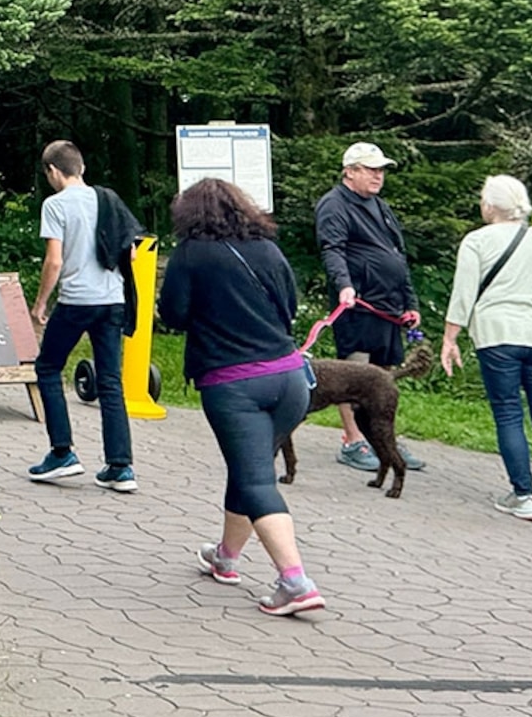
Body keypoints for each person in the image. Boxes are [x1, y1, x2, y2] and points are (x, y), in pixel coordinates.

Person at [156, 177, 325, 616]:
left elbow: (172, 315)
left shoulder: (191, 254)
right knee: (249, 468)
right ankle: (226, 556)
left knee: (255, 480)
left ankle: (295, 582)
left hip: (234, 384)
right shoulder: (268, 248)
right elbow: (289, 308)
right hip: (290, 381)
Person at [440, 173, 532, 525]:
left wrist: (450, 338)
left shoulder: (477, 241)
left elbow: (464, 293)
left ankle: (524, 495)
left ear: (489, 205)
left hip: (498, 334)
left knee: (509, 413)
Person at [25, 140, 135, 492]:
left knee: (47, 368)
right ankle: (120, 467)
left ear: (52, 172)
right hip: (112, 300)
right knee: (110, 381)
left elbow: (54, 261)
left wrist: (40, 303)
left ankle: (62, 452)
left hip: (76, 301)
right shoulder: (109, 199)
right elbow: (130, 252)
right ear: (82, 167)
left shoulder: (55, 205)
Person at [314, 143, 424, 475]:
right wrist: (344, 285)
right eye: (371, 169)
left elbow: (397, 257)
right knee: (353, 375)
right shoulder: (334, 205)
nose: (379, 175)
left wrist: (411, 303)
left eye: (381, 170)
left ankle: (383, 439)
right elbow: (332, 248)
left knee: (382, 378)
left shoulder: (381, 207)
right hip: (358, 305)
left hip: (389, 307)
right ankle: (353, 439)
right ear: (349, 171)